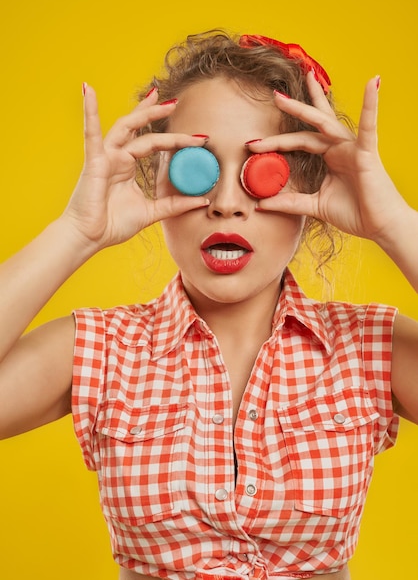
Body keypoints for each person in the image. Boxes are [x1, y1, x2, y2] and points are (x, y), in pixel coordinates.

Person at [0, 30, 417, 580]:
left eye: (261, 170)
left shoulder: (370, 348)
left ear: (312, 184)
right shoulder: (100, 350)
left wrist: (394, 224)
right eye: (198, 166)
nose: (225, 204)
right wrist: (77, 231)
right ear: (157, 175)